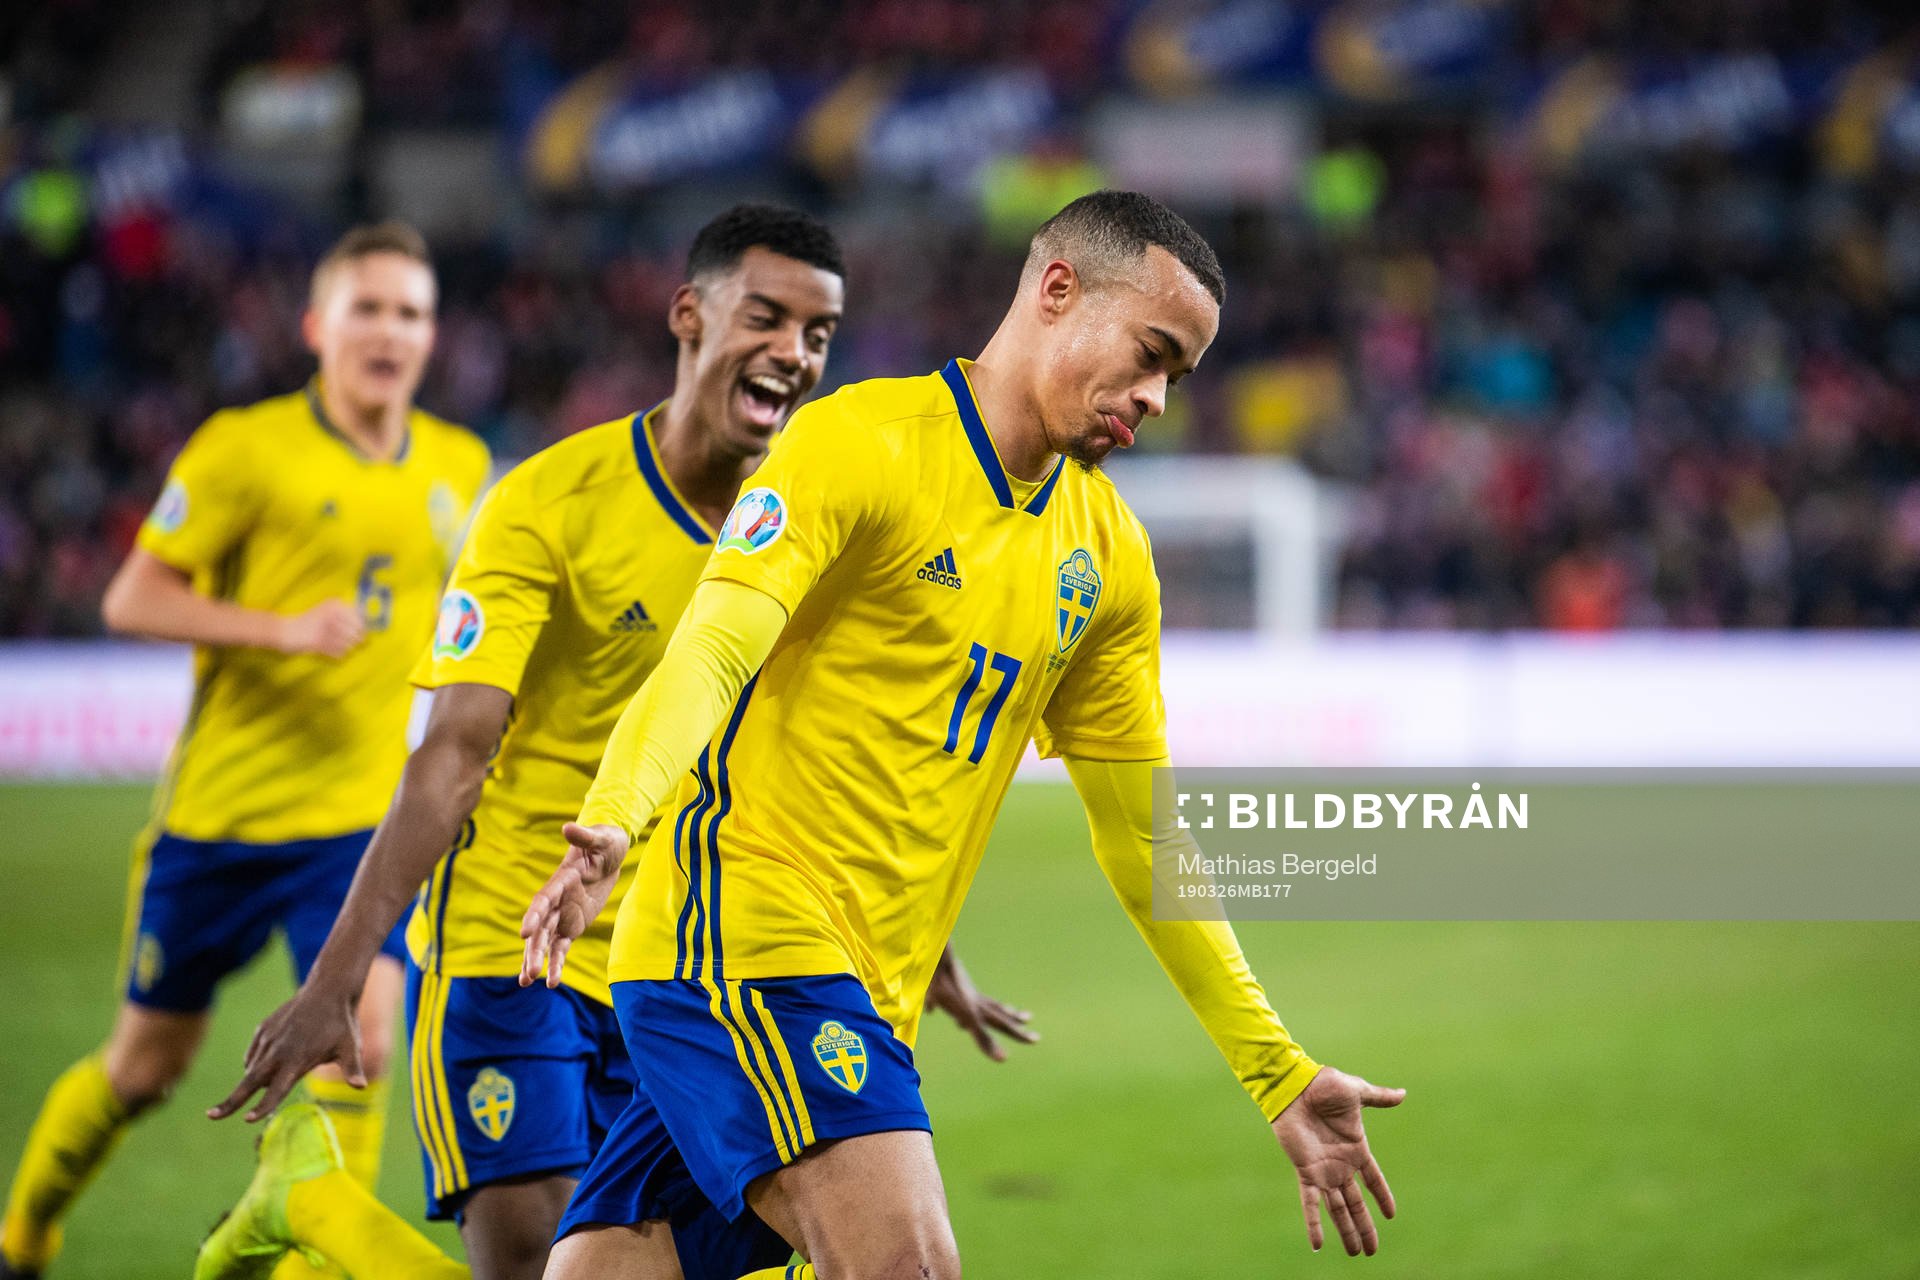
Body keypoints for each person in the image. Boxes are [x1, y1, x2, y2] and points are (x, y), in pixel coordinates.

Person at [520, 190, 1406, 1279]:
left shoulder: (1109, 558)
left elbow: (1146, 842)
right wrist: (612, 817)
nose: (1159, 398)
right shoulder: (858, 445)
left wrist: (1273, 1067)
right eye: (1151, 352)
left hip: (866, 992)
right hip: (740, 945)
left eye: (1179, 374)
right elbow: (712, 646)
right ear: (1057, 288)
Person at [199, 205, 1034, 1280]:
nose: (795, 353)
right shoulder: (548, 503)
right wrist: (340, 977)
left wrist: (926, 952)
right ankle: (321, 1207)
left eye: (819, 334)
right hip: (516, 951)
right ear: (688, 314)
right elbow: (452, 753)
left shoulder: (816, 523)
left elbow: (832, 765)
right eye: (768, 317)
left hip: (697, 973)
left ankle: (318, 1211)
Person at [0, 222, 491, 1280]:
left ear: (431, 334)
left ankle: (301, 1254)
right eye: (367, 307)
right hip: (220, 821)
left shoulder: (459, 465)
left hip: (357, 824)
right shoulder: (242, 447)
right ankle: (24, 1232)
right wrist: (279, 627)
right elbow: (130, 595)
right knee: (145, 1066)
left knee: (361, 1040)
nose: (389, 330)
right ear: (318, 326)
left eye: (410, 311)